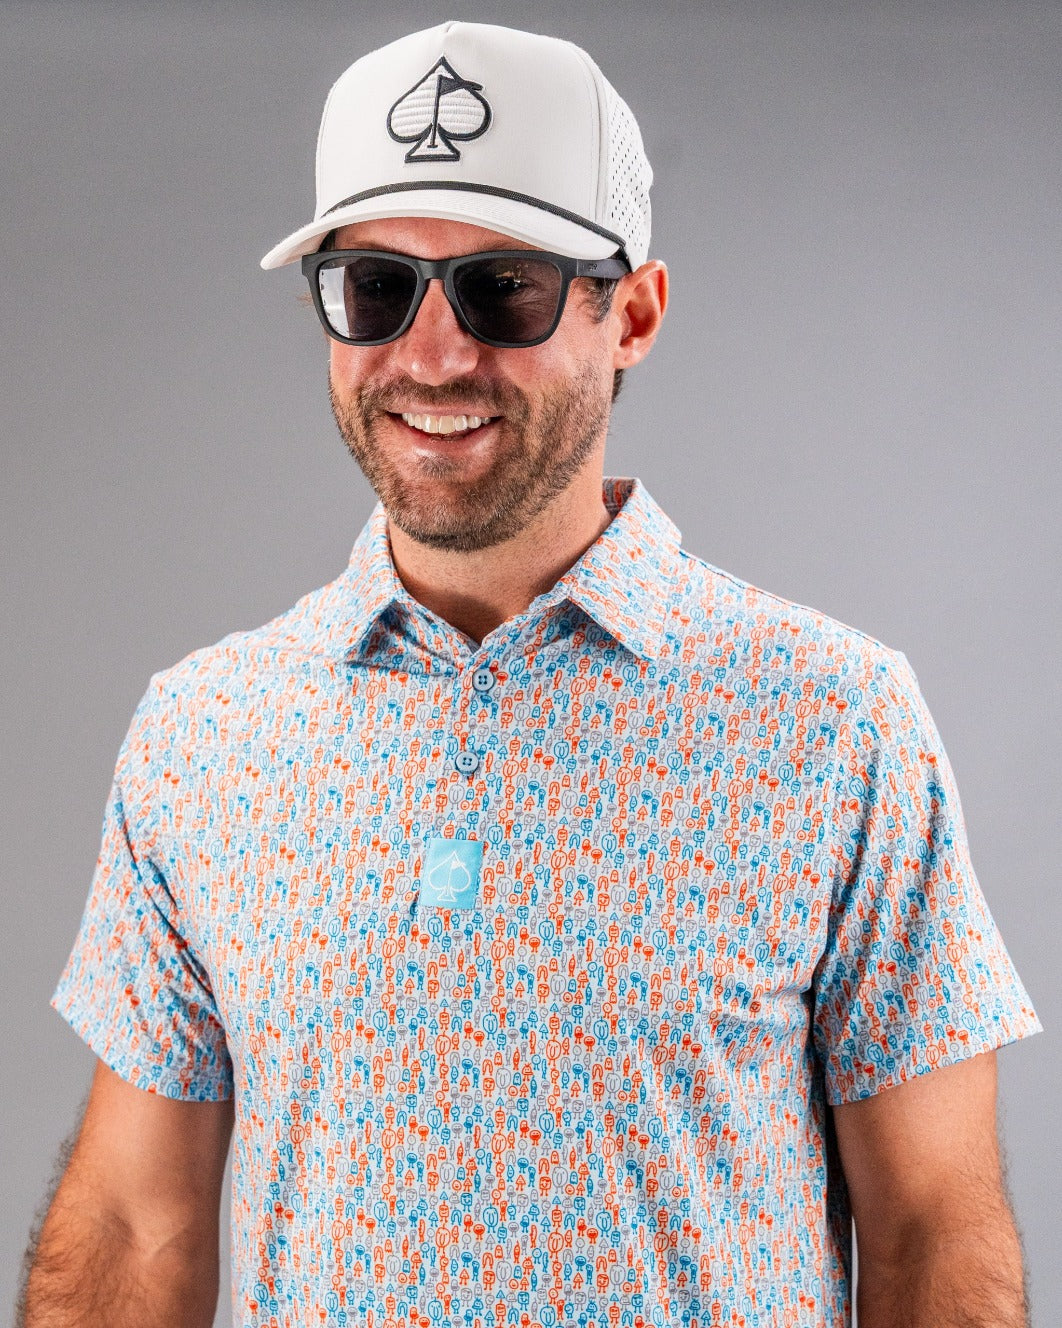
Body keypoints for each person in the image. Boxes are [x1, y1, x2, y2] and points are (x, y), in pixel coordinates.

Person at [20, 20, 1042, 1328]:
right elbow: (130, 1231)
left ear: (636, 315)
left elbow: (931, 1235)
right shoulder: (204, 734)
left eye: (504, 288)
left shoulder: (832, 723)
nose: (433, 357)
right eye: (374, 288)